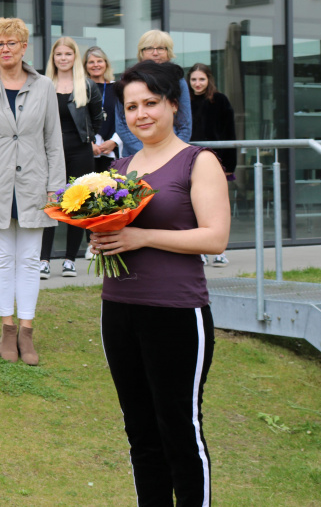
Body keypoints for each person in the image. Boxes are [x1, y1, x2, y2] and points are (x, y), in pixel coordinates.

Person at [90, 60, 230, 506]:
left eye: (151, 103)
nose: (141, 114)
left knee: (179, 432)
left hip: (175, 312)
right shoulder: (121, 168)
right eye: (131, 106)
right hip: (119, 309)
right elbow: (114, 229)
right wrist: (102, 237)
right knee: (140, 433)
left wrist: (141, 236)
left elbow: (215, 237)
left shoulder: (198, 160)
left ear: (172, 105)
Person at [0, 17, 64, 366]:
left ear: (24, 47)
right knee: (3, 258)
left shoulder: (45, 86)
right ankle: (7, 328)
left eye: (11, 43)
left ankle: (26, 330)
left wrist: (57, 189)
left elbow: (54, 141)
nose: (5, 49)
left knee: (31, 260)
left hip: (35, 183)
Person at [39, 38, 104, 279]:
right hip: (49, 152)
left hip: (80, 151)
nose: (63, 58)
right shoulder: (43, 84)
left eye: (68, 54)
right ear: (53, 58)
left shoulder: (86, 85)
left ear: (75, 57)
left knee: (77, 205)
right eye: (59, 54)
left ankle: (69, 260)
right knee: (51, 204)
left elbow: (97, 118)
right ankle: (43, 260)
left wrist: (88, 139)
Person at [114, 30, 192, 158]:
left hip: (172, 156)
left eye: (161, 48)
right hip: (134, 155)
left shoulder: (178, 80)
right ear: (141, 52)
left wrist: (173, 152)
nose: (155, 53)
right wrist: (144, 151)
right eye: (149, 48)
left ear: (168, 52)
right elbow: (121, 124)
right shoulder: (127, 80)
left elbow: (185, 123)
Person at [189, 62, 237, 268]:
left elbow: (230, 133)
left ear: (209, 80)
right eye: (193, 79)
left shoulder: (220, 100)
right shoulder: (184, 101)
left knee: (217, 207)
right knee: (192, 206)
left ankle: (220, 251)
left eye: (201, 79)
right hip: (190, 159)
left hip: (217, 161)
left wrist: (229, 165)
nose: (197, 83)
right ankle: (199, 250)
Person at [84, 46, 122, 173]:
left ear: (106, 63)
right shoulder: (80, 90)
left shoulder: (117, 88)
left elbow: (125, 118)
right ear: (85, 66)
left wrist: (114, 141)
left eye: (99, 61)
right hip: (87, 151)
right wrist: (89, 144)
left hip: (112, 151)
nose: (96, 65)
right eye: (91, 62)